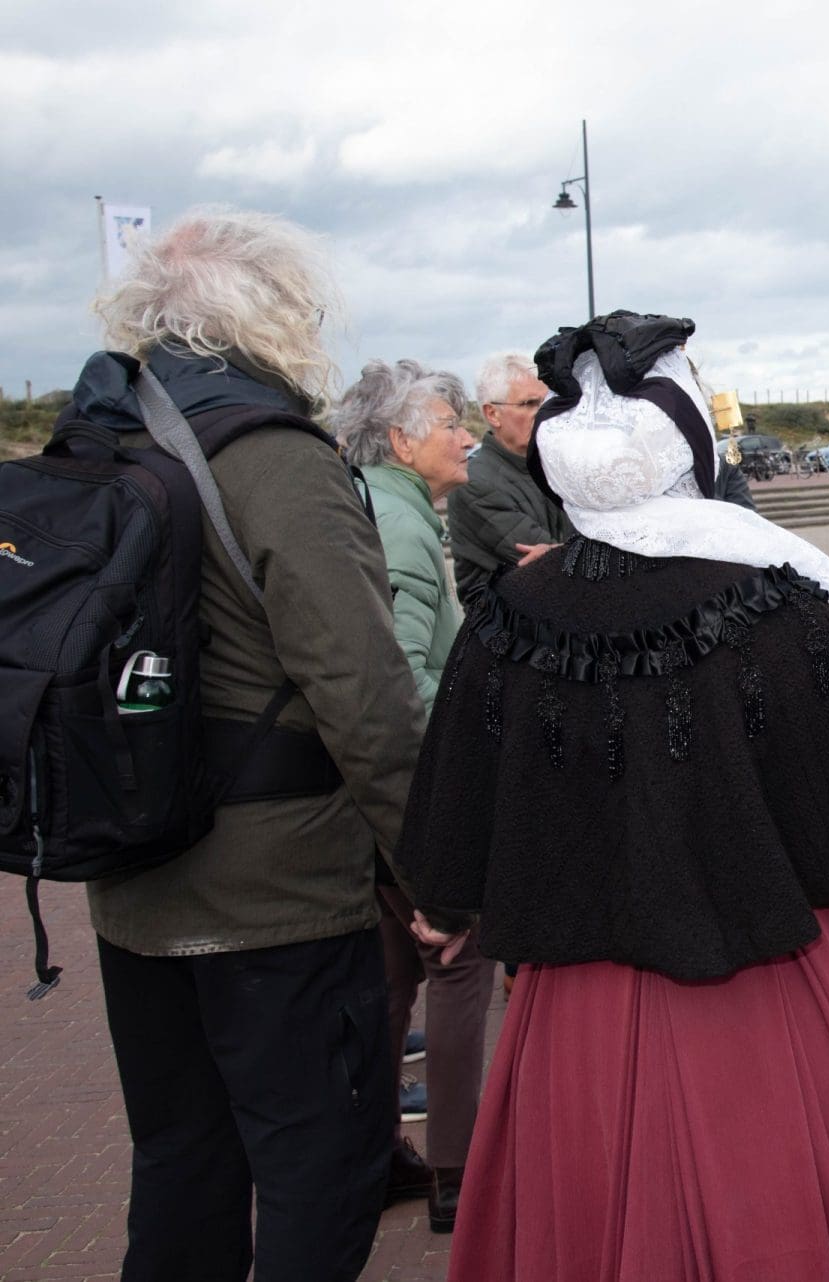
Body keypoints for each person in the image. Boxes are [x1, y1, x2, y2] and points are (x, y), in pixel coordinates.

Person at [393, 310, 829, 1281]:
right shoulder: (776, 606)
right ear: (689, 446)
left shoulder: (508, 618)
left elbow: (455, 823)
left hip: (575, 1009)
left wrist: (451, 903)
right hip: (767, 1002)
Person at [73, 207, 460, 1280]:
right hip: (279, 897)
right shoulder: (274, 456)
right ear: (276, 312)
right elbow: (366, 696)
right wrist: (439, 875)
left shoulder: (107, 442)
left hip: (135, 881)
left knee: (182, 1171)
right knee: (322, 1175)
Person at [335, 359, 496, 1233]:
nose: (467, 437)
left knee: (392, 970)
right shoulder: (397, 525)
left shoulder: (379, 506)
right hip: (412, 783)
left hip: (372, 789)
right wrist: (478, 721)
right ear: (401, 440)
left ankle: (373, 1156)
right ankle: (459, 1170)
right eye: (450, 424)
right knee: (461, 958)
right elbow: (393, 679)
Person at [448, 353, 572, 609]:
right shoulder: (475, 483)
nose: (543, 412)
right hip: (511, 628)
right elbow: (553, 565)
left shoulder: (557, 465)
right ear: (492, 414)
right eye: (529, 403)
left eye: (547, 401)